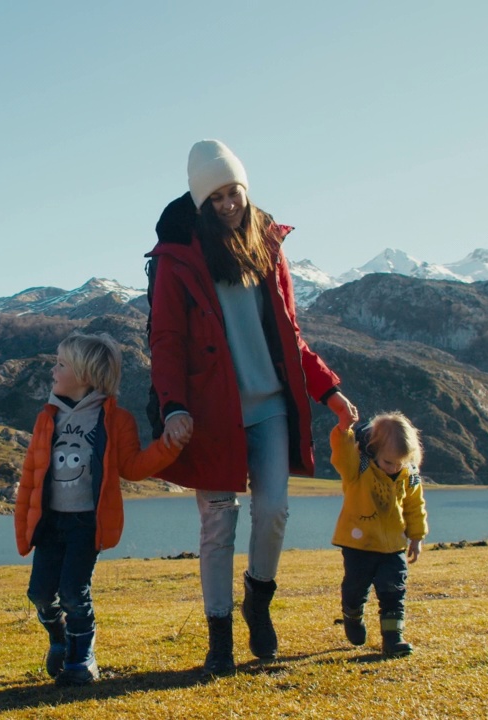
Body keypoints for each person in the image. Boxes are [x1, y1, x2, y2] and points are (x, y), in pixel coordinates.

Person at [146, 139, 358, 674]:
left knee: (275, 510)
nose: (227, 204)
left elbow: (290, 334)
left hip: (269, 408)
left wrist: (328, 390)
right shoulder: (177, 257)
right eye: (214, 197)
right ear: (200, 202)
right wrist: (172, 406)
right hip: (212, 413)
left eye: (232, 191)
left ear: (245, 187)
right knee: (218, 524)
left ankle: (257, 600)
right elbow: (166, 339)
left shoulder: (267, 244)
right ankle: (220, 638)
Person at [14, 332, 185, 685]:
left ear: (86, 375)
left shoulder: (117, 420)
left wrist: (168, 447)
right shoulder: (46, 418)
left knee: (75, 594)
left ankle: (82, 660)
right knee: (40, 594)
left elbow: (134, 467)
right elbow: (31, 475)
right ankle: (60, 639)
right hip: (50, 523)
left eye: (61, 364)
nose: (53, 370)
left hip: (86, 525)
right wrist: (25, 523)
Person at [329, 411, 428, 658]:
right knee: (355, 588)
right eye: (388, 462)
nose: (394, 468)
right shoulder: (358, 467)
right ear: (372, 451)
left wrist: (416, 537)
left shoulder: (409, 473)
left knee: (394, 590)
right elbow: (341, 455)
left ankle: (393, 639)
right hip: (358, 544)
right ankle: (352, 615)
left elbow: (414, 505)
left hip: (393, 546)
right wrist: (343, 430)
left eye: (400, 463)